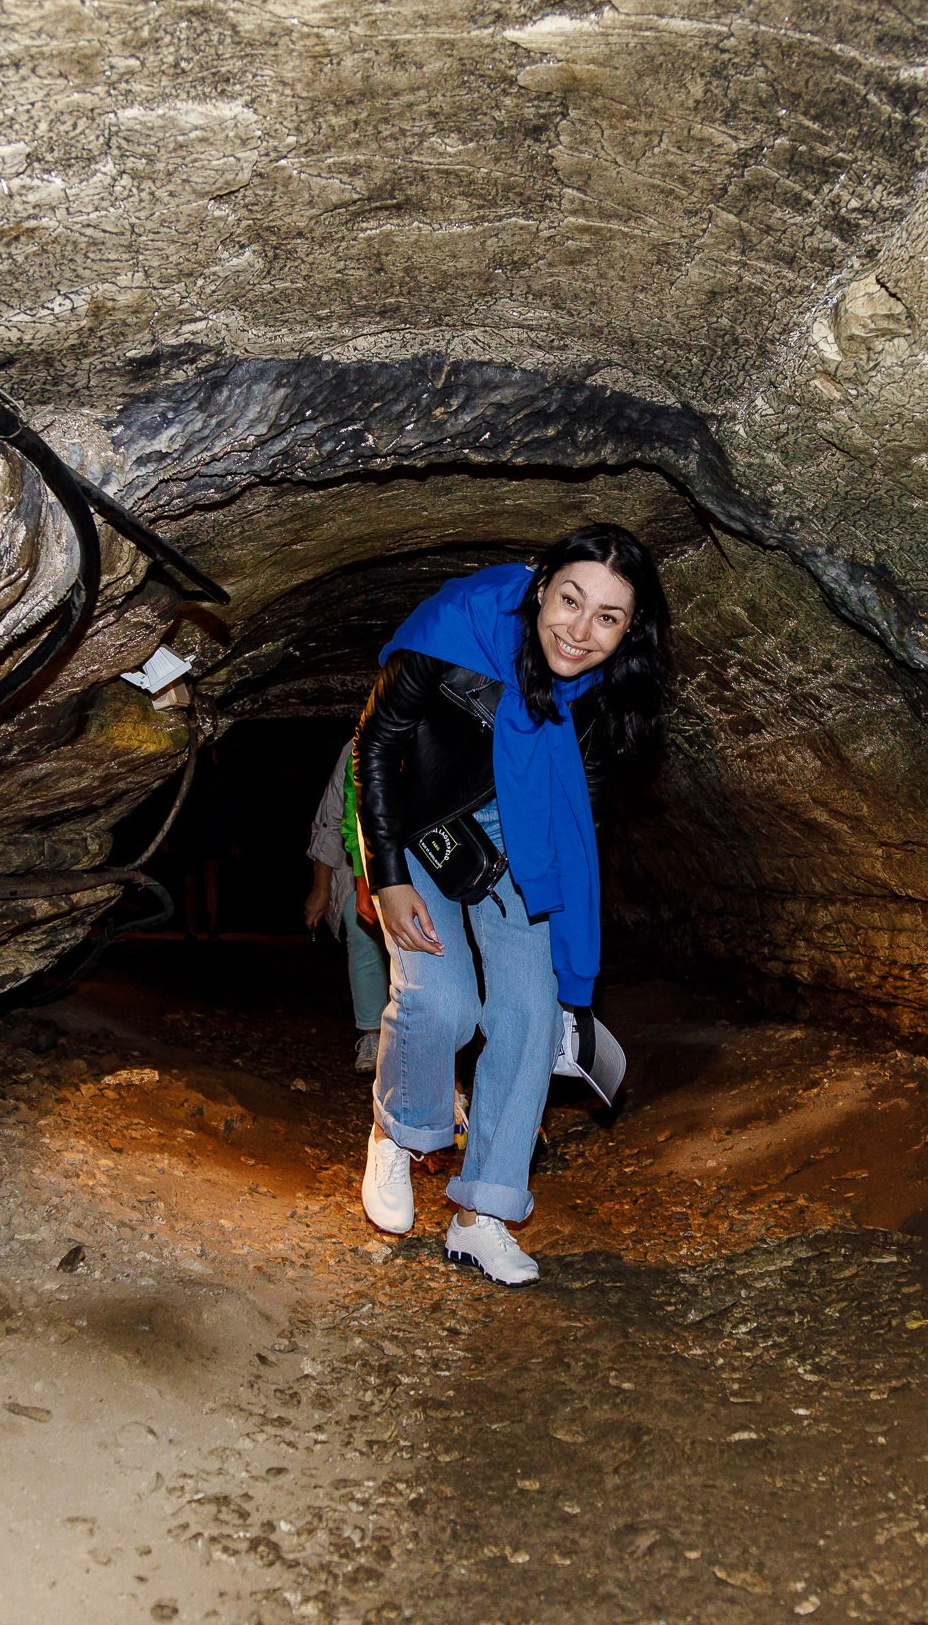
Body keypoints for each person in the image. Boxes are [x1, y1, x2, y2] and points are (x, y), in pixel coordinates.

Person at [350, 523, 670, 1286]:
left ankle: (482, 1215)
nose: (580, 630)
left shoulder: (608, 691)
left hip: (525, 844)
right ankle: (399, 1129)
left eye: (608, 617)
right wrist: (387, 873)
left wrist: (566, 925)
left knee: (531, 1016)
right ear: (541, 587)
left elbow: (585, 804)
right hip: (424, 827)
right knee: (444, 1001)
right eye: (571, 600)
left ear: (629, 631)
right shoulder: (458, 627)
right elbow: (376, 744)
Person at [303, 739, 387, 1071]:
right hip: (362, 866)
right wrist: (320, 889)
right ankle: (372, 1033)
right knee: (361, 929)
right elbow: (333, 819)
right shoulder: (358, 744)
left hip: (420, 862)